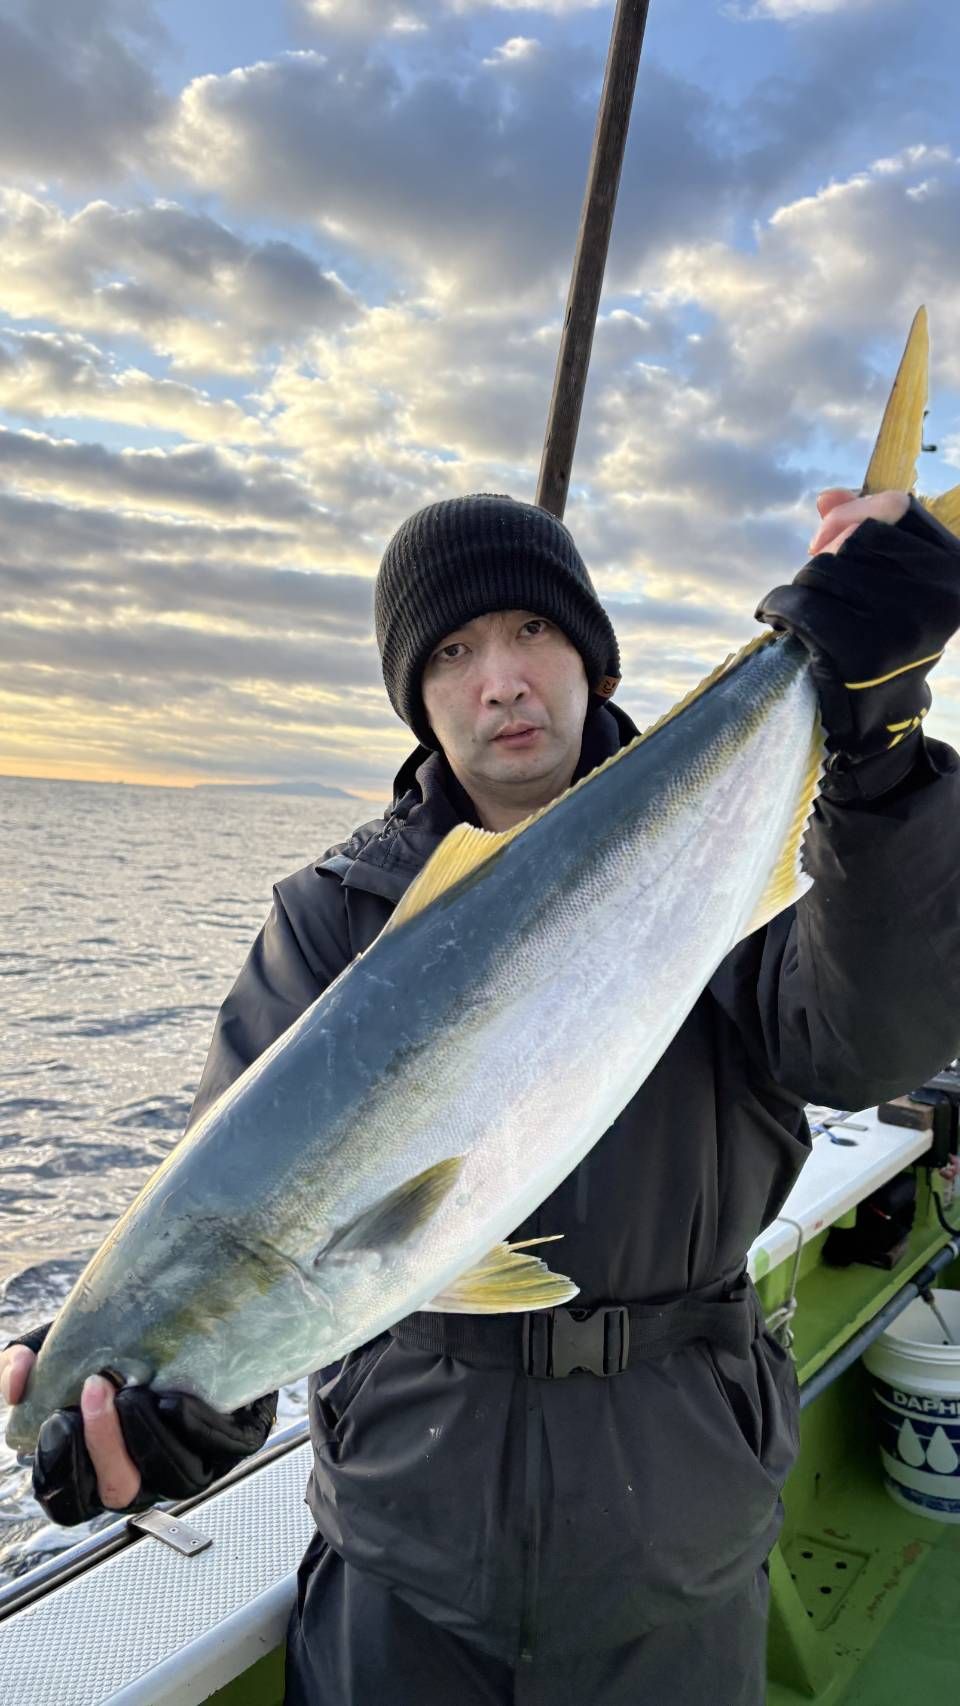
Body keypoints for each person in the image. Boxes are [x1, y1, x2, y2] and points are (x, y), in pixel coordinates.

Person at [4, 486, 960, 1705]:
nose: (501, 679)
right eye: (452, 652)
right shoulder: (329, 917)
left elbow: (866, 1046)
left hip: (676, 1526)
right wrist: (184, 1402)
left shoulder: (734, 850)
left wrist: (880, 753)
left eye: (532, 631)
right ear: (417, 695)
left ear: (592, 658)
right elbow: (243, 1200)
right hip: (407, 1548)